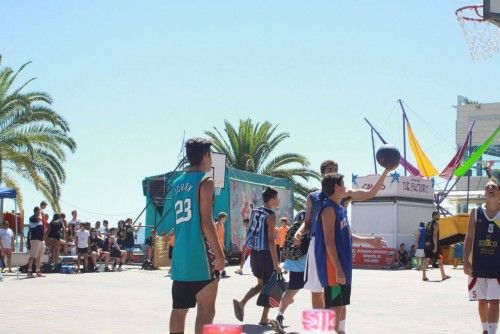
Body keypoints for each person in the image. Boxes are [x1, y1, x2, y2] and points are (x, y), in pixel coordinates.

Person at [294, 160, 391, 309]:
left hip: (337, 244)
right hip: (317, 244)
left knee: (338, 292)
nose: (332, 171)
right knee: (316, 290)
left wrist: (386, 171)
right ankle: (318, 328)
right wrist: (299, 232)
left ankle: (337, 328)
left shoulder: (345, 194)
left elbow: (370, 193)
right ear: (322, 174)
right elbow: (307, 223)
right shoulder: (313, 197)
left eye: (335, 170)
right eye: (329, 169)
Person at [316, 173, 388, 333]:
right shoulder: (328, 209)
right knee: (335, 304)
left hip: (343, 263)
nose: (345, 187)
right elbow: (329, 242)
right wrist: (338, 268)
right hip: (333, 266)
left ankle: (340, 331)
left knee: (341, 304)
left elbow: (346, 234)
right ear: (336, 187)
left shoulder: (340, 208)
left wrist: (368, 241)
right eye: (343, 184)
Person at [169, 137, 225, 334]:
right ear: (206, 155)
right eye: (211, 155)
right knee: (206, 310)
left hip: (180, 256)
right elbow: (206, 222)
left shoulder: (176, 183)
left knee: (178, 310)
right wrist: (219, 255)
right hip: (200, 255)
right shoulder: (205, 182)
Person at [233, 186, 281, 326]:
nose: (278, 200)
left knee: (261, 284)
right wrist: (277, 263)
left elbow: (250, 231)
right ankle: (263, 318)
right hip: (266, 255)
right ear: (272, 199)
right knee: (271, 286)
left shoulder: (255, 211)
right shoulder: (271, 215)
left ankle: (242, 303)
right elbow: (271, 241)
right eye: (277, 198)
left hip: (254, 253)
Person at [464, 178, 499, 334]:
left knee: (495, 300)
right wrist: (465, 261)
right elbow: (469, 237)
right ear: (485, 192)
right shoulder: (476, 211)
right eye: (488, 187)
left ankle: (491, 332)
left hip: (497, 265)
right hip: (477, 264)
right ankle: (485, 329)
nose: (491, 188)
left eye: (494, 186)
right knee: (482, 300)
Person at [270, 211, 308, 333]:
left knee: (291, 290)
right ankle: (324, 326)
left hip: (293, 261)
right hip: (304, 264)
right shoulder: (312, 222)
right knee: (319, 292)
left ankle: (278, 315)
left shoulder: (298, 220)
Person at [422, 211, 451, 281]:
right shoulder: (436, 224)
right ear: (434, 215)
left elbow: (427, 234)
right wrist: (435, 246)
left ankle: (424, 276)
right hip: (434, 244)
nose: (439, 216)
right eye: (438, 215)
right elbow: (434, 235)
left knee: (426, 259)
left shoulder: (428, 223)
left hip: (426, 243)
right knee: (440, 258)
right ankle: (443, 275)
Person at [27, 207, 45, 278]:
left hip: (41, 240)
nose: (41, 212)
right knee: (32, 256)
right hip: (35, 240)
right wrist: (40, 213)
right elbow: (40, 218)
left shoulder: (40, 219)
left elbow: (42, 219)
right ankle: (29, 272)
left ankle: (38, 271)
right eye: (40, 211)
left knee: (39, 257)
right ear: (37, 211)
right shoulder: (32, 218)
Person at [215, 212, 228, 278]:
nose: (226, 219)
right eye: (225, 218)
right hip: (217, 244)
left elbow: (222, 236)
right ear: (221, 218)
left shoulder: (222, 224)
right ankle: (221, 272)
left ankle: (222, 272)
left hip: (221, 244)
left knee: (222, 258)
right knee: (221, 258)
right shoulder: (217, 225)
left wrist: (223, 244)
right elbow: (215, 235)